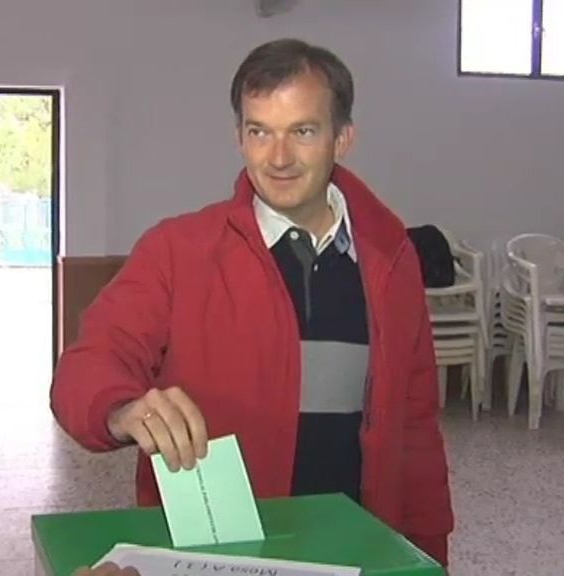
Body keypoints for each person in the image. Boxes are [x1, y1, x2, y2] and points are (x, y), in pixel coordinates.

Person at [50, 38, 453, 566]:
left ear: (342, 138)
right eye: (260, 131)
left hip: (356, 544)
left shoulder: (391, 258)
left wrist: (428, 554)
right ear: (239, 137)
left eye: (302, 132)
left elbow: (416, 424)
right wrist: (122, 407)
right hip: (215, 554)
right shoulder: (178, 250)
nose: (278, 158)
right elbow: (88, 365)